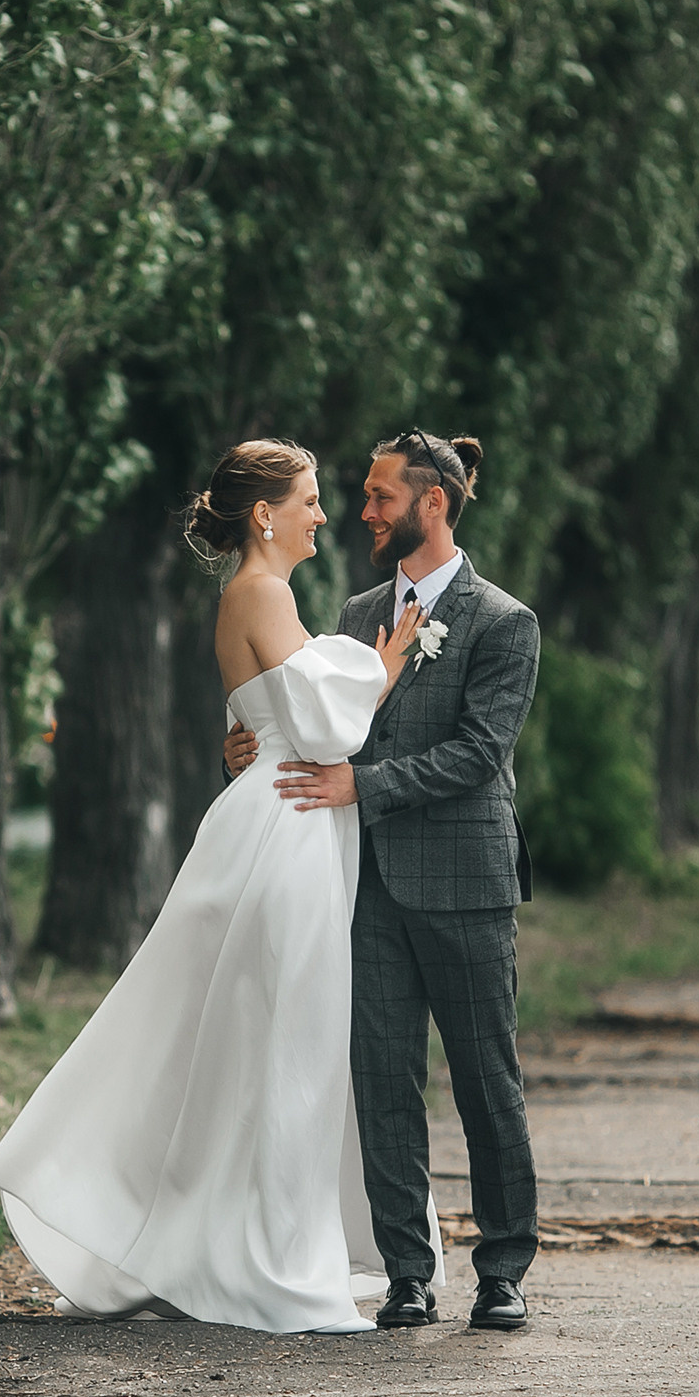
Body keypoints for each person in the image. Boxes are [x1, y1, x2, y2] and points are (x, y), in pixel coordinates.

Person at [0, 438, 436, 1335]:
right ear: (265, 514)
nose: (321, 513)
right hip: (289, 830)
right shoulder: (263, 592)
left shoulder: (260, 595)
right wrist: (382, 669)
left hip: (280, 817)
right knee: (288, 1045)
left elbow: (261, 716)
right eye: (308, 498)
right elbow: (323, 725)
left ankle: (215, 1237)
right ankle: (261, 1258)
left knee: (253, 1041)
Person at [225, 429, 541, 1332]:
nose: (362, 510)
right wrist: (248, 747)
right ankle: (408, 1270)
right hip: (362, 881)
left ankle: (505, 1268)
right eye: (358, 496)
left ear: (431, 503)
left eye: (378, 496)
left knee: (487, 1077)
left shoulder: (504, 621)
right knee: (384, 1079)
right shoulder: (356, 606)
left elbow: (480, 754)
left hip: (466, 877)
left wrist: (359, 784)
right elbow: (316, 720)